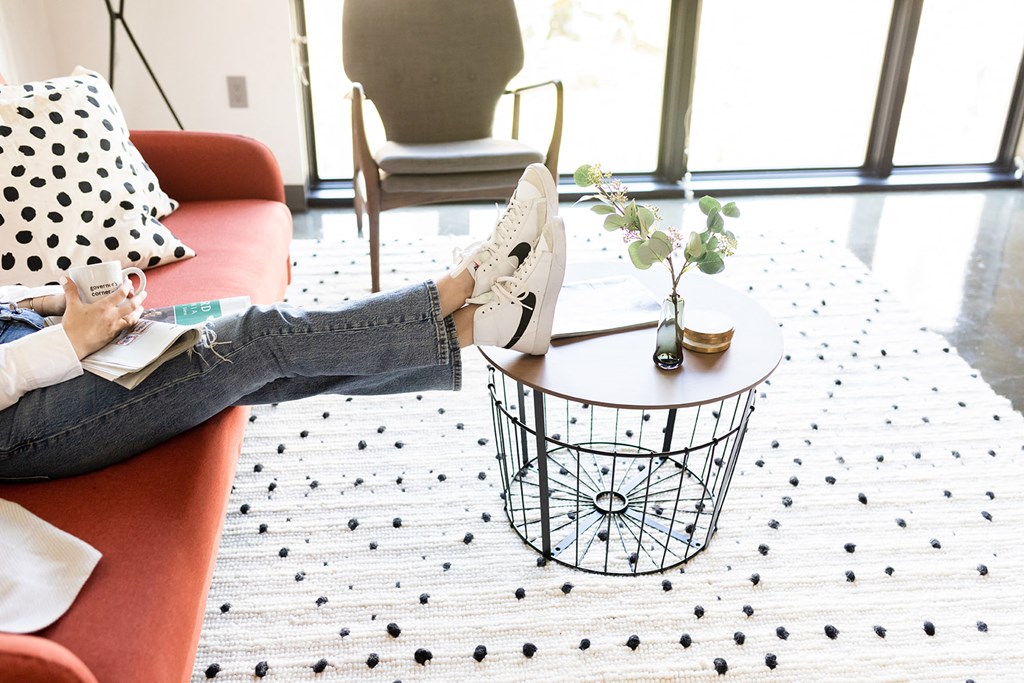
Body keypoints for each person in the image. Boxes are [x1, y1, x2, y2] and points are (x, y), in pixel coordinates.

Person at [0, 164, 565, 481]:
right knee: (255, 338)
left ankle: (491, 322)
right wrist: (69, 342)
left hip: (32, 339)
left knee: (259, 357)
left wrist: (52, 304)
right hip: (18, 418)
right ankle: (467, 284)